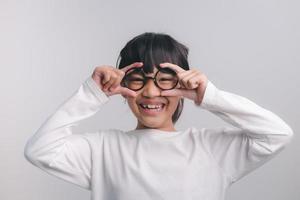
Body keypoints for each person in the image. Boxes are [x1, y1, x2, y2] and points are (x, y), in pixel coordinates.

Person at [24, 32, 294, 200]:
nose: (151, 92)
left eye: (165, 79)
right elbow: (40, 151)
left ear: (183, 84)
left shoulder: (211, 149)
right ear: (124, 85)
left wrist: (208, 95)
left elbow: (277, 134)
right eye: (138, 80)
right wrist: (92, 93)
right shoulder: (103, 149)